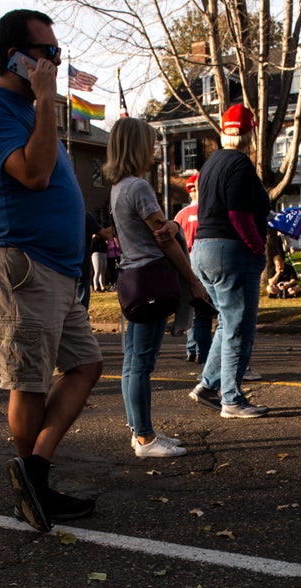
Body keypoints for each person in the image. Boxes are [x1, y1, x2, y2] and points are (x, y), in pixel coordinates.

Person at [0, 9, 104, 531]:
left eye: (57, 53)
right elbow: (35, 174)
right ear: (14, 57)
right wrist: (44, 101)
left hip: (59, 269)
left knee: (86, 364)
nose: (57, 62)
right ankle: (34, 491)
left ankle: (35, 469)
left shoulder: (34, 111)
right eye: (47, 52)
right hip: (21, 264)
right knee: (30, 380)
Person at [105, 117, 208, 458]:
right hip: (150, 276)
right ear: (135, 146)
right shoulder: (138, 187)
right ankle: (146, 439)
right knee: (141, 363)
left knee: (132, 361)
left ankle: (141, 431)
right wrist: (191, 279)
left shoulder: (118, 188)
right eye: (149, 143)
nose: (153, 150)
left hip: (132, 278)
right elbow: (164, 238)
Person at [187, 103, 271, 419]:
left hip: (204, 250)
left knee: (226, 322)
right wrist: (257, 245)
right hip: (230, 252)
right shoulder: (240, 164)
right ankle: (232, 399)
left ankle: (208, 386)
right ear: (250, 132)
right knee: (239, 326)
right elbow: (238, 214)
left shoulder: (211, 164)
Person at [174, 172, 210, 363]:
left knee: (192, 309)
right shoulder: (208, 210)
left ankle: (191, 348)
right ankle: (203, 354)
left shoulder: (181, 215)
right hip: (205, 259)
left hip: (186, 262)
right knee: (204, 310)